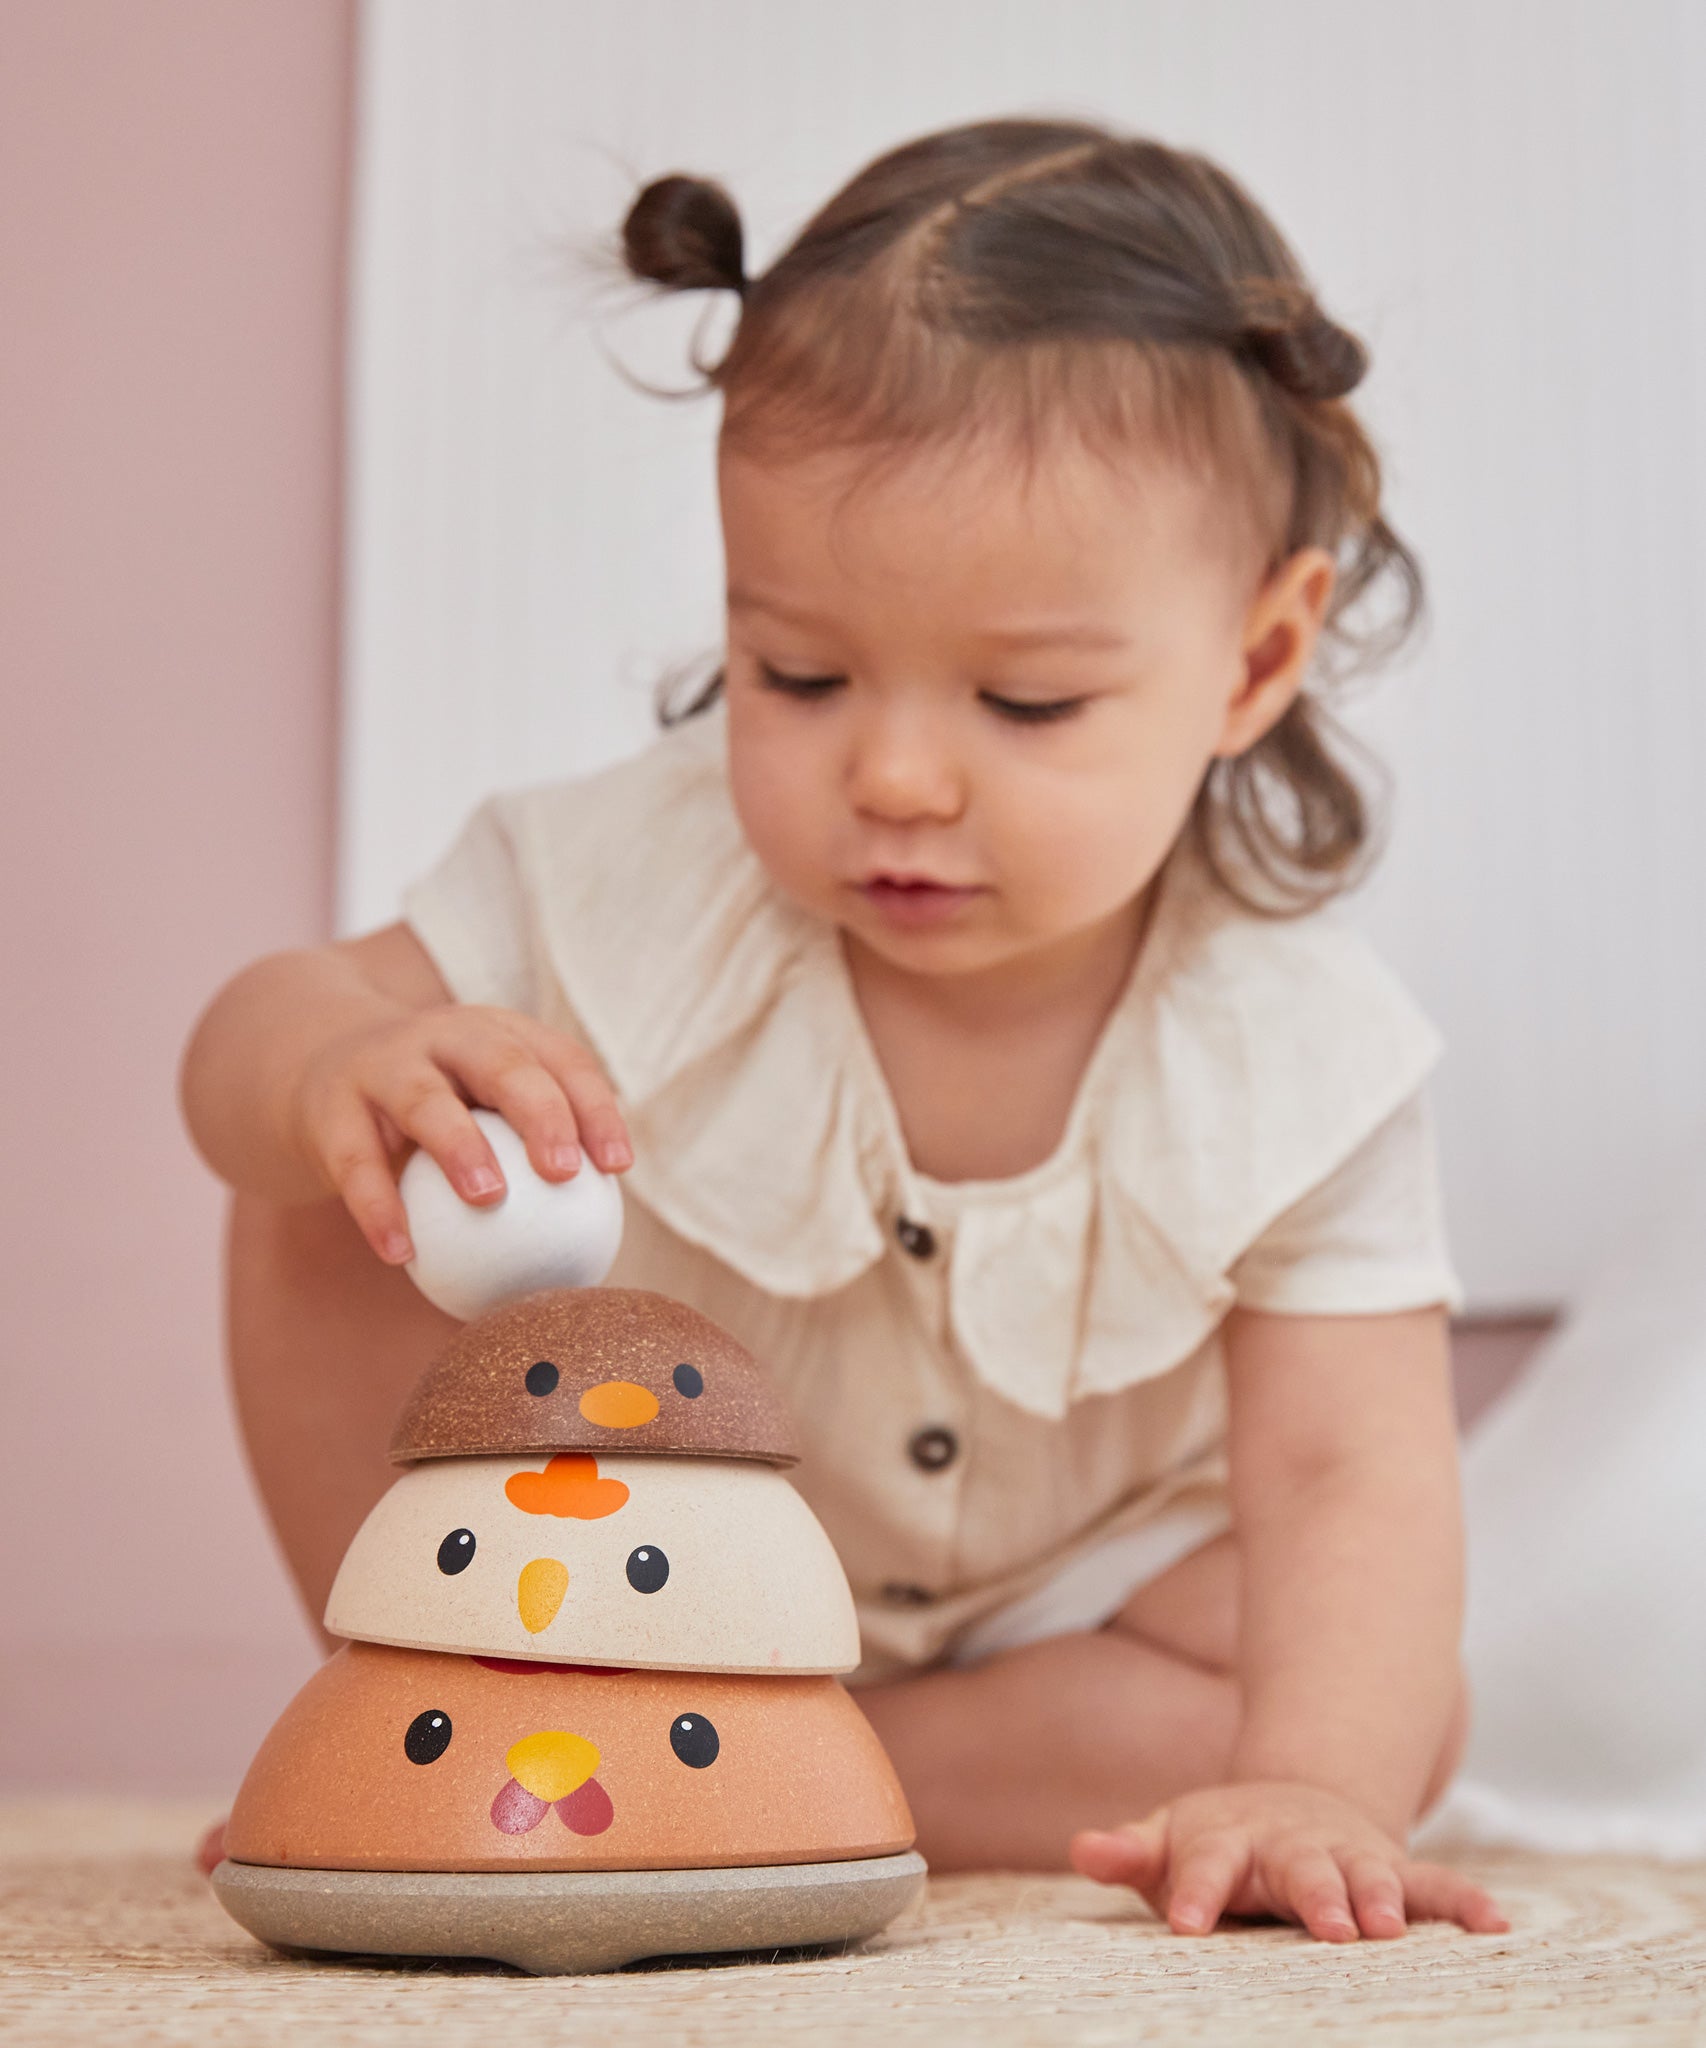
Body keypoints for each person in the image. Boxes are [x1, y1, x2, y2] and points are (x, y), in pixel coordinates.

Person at [182, 117, 1508, 1943]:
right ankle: (444, 1704)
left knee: (1377, 1701)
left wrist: (1312, 1784)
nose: (889, 775)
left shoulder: (1296, 1053)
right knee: (323, 1181)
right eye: (794, 675)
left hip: (1065, 1620)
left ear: (1255, 664)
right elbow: (258, 1036)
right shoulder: (622, 882)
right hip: (612, 1550)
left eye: (1025, 703)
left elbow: (1345, 1468)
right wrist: (333, 1067)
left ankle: (765, 1767)